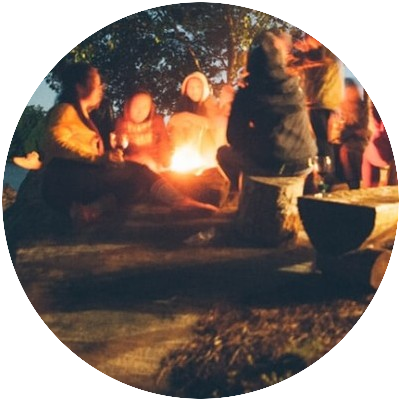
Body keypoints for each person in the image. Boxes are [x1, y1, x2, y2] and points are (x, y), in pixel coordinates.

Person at [40, 62, 217, 224]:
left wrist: (108, 159)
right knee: (140, 172)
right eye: (97, 84)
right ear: (80, 88)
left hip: (80, 178)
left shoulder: (85, 115)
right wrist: (98, 159)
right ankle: (180, 202)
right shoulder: (65, 110)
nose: (102, 88)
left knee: (136, 184)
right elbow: (54, 142)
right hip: (65, 180)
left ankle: (90, 210)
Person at [216, 30, 317, 193]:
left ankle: (240, 194)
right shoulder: (294, 87)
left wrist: (258, 140)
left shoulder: (248, 93)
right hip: (305, 162)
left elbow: (234, 137)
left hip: (272, 165)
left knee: (223, 154)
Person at [291, 0, 350, 178]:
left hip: (322, 90)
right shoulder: (326, 13)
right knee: (324, 140)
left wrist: (299, 60)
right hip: (323, 88)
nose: (295, 3)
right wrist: (306, 49)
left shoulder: (325, 15)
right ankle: (333, 182)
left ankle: (326, 185)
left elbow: (330, 54)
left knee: (322, 142)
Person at [168, 71, 228, 167]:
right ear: (186, 90)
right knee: (179, 125)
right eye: (191, 87)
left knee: (190, 124)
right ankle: (183, 158)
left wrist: (188, 116)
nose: (194, 90)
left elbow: (214, 124)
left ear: (204, 88)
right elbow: (172, 123)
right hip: (188, 146)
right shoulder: (184, 105)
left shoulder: (209, 101)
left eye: (198, 87)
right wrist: (179, 118)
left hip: (209, 146)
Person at [362, 48, 400, 187]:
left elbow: (376, 119)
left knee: (368, 156)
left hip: (391, 145)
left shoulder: (384, 85)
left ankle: (370, 191)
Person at [114, 90, 172, 171]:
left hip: (155, 167)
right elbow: (119, 149)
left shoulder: (157, 121)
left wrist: (166, 162)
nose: (140, 111)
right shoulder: (122, 123)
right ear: (129, 106)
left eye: (145, 107)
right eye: (136, 106)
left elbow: (163, 142)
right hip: (132, 167)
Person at [334, 78, 370, 189]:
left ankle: (360, 182)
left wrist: (360, 132)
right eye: (348, 91)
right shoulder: (340, 108)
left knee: (354, 151)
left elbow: (366, 129)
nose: (350, 93)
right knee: (345, 151)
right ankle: (352, 183)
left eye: (352, 90)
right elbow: (338, 131)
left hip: (360, 141)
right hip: (344, 141)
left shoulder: (363, 108)